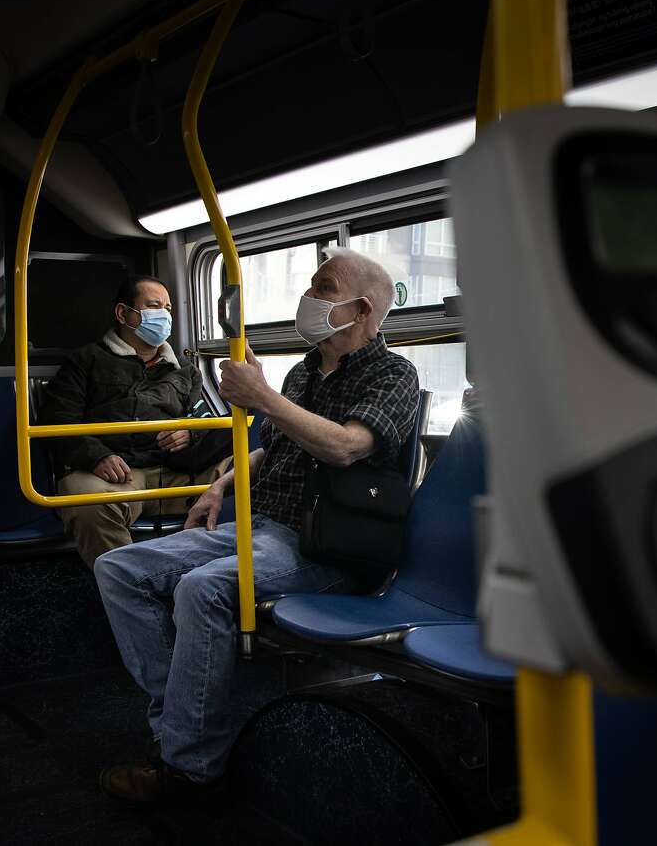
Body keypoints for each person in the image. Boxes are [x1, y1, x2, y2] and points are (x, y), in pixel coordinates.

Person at [93, 248, 419, 803]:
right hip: (263, 523)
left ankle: (187, 767)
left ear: (361, 309)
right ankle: (178, 723)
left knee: (204, 588)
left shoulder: (393, 375)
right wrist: (219, 486)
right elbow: (273, 447)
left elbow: (344, 447)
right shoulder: (304, 370)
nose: (309, 297)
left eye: (323, 287)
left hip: (329, 549)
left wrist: (261, 397)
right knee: (119, 568)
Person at [39, 275, 230, 567]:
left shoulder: (185, 371)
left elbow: (204, 420)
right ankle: (132, 587)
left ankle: (225, 578)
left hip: (177, 470)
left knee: (249, 472)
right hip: (118, 474)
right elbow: (56, 421)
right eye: (154, 306)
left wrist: (190, 434)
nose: (164, 316)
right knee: (88, 502)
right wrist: (97, 456)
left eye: (167, 309)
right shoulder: (87, 361)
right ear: (123, 313)